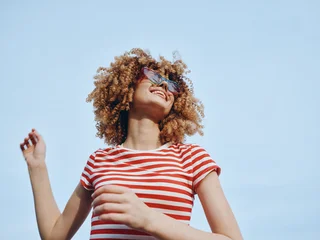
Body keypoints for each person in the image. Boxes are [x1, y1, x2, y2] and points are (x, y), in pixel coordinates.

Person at [20, 48, 243, 240]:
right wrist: (37, 167)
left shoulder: (192, 158)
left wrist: (150, 219)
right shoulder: (99, 160)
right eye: (154, 77)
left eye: (171, 85)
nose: (164, 86)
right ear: (127, 87)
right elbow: (53, 235)